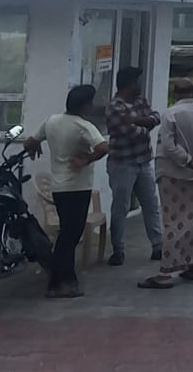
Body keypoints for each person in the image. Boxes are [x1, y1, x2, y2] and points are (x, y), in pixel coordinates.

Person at [23, 84, 108, 299]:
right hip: (77, 188)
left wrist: (35, 147)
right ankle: (57, 283)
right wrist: (85, 159)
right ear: (86, 105)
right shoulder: (83, 126)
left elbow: (30, 141)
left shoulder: (52, 121)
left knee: (67, 235)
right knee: (69, 237)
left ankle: (68, 280)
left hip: (59, 188)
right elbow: (103, 148)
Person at [139, 79, 193, 290]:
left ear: (175, 93)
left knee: (173, 222)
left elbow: (168, 145)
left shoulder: (171, 114)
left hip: (173, 175)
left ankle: (165, 272)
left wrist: (187, 160)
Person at [104, 65, 163, 266]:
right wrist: (145, 124)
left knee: (151, 204)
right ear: (128, 84)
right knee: (121, 207)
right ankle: (118, 250)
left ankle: (158, 245)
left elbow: (157, 117)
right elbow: (133, 133)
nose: (139, 85)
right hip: (122, 164)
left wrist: (138, 121)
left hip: (144, 161)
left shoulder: (139, 101)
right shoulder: (115, 106)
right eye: (136, 81)